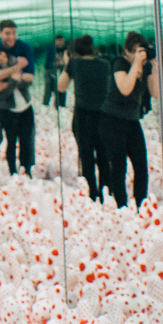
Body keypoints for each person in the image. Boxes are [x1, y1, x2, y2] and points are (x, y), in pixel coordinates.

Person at [99, 33, 155, 208]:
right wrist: (136, 64)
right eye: (136, 52)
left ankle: (140, 206)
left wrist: (156, 66)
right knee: (118, 168)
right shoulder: (119, 63)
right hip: (112, 120)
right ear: (126, 52)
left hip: (131, 121)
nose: (139, 56)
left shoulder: (144, 67)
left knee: (141, 167)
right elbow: (125, 88)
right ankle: (120, 208)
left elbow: (155, 92)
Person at [56, 35, 109, 201]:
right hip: (104, 115)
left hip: (83, 116)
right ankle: (107, 194)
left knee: (86, 158)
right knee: (104, 158)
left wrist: (67, 64)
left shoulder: (74, 64)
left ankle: (91, 194)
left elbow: (61, 87)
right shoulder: (105, 64)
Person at [0, 21, 33, 167]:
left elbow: (30, 77)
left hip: (21, 98)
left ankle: (27, 168)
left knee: (27, 136)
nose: (11, 37)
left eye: (14, 33)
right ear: (0, 33)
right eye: (7, 33)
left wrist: (7, 82)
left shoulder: (24, 48)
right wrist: (17, 69)